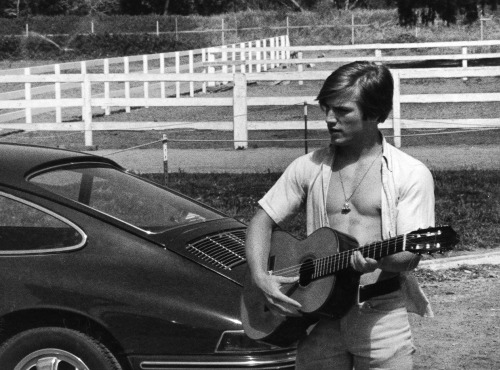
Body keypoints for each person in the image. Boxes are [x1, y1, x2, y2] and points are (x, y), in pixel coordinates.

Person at [244, 61, 435, 370]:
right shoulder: (308, 166)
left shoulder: (410, 174)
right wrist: (260, 277)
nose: (330, 119)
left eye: (343, 111)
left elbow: (411, 255)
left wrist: (380, 260)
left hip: (380, 315)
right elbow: (261, 221)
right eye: (327, 109)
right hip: (318, 318)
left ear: (374, 113)